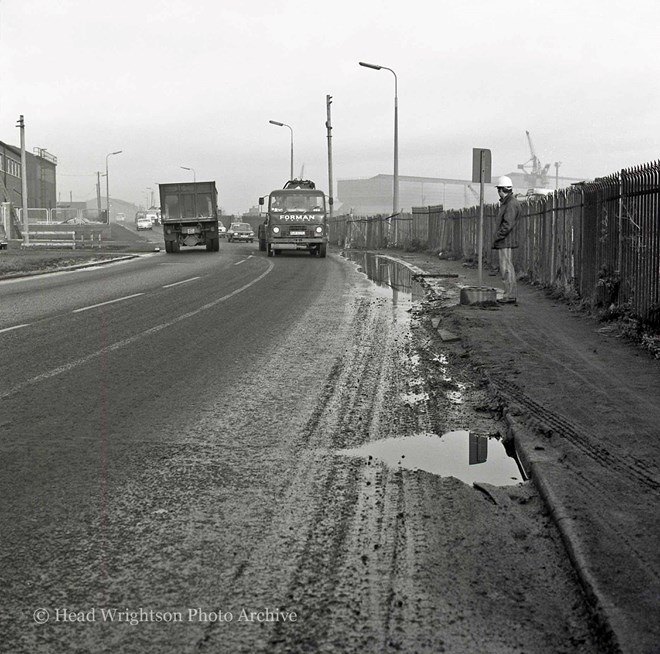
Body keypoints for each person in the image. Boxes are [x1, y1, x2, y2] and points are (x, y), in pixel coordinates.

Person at [492, 175, 521, 304]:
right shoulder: (511, 202)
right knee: (507, 267)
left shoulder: (510, 204)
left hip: (505, 241)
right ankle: (510, 294)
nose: (498, 192)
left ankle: (509, 295)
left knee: (506, 268)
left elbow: (507, 225)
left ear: (501, 189)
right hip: (506, 240)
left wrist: (498, 236)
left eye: (499, 190)